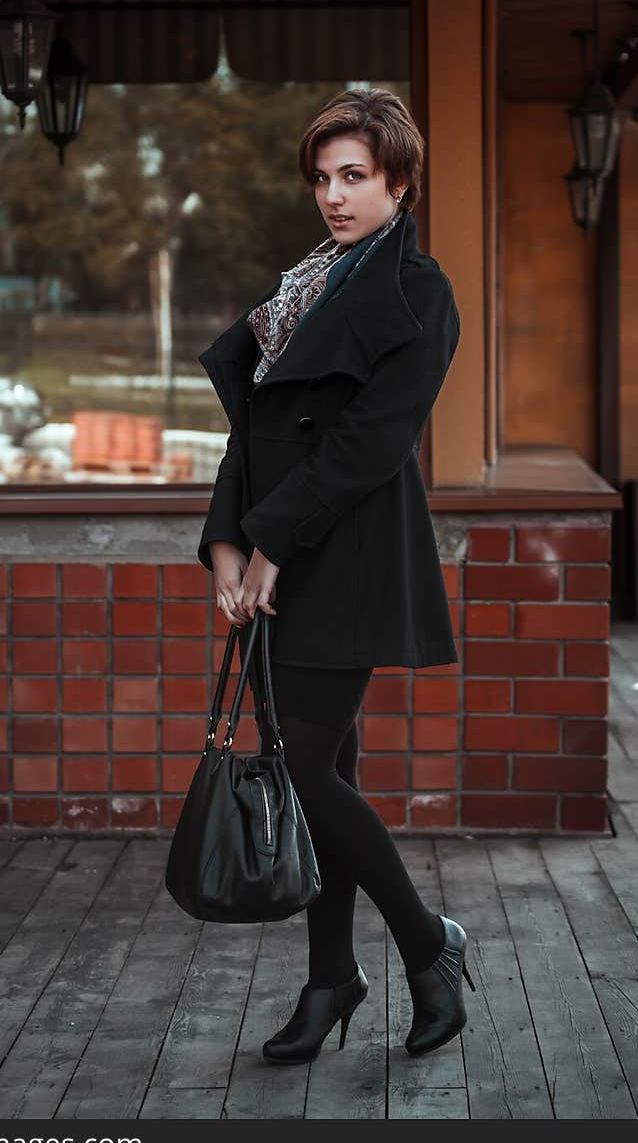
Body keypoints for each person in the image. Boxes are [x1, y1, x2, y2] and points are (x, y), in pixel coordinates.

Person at [196, 88, 474, 1065]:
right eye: (322, 177)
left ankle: (426, 947)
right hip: (279, 554)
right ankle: (332, 980)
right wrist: (228, 539)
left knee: (305, 768)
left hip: (345, 559)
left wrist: (270, 541)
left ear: (399, 180)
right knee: (325, 775)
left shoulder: (418, 292)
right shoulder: (300, 287)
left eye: (353, 176)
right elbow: (258, 430)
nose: (333, 195)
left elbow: (364, 444)